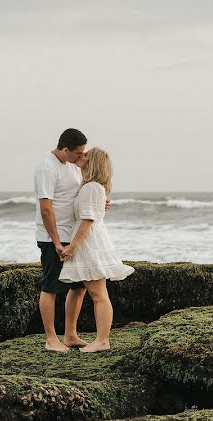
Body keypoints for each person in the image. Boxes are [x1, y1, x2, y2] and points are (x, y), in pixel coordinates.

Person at [58, 147, 134, 352]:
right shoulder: (90, 186)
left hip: (88, 242)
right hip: (87, 240)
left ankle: (102, 340)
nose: (81, 156)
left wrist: (72, 246)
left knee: (98, 293)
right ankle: (70, 335)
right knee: (77, 289)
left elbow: (88, 220)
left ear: (92, 163)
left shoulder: (92, 187)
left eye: (86, 156)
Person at [34, 128, 89, 353]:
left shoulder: (71, 166)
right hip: (53, 238)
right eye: (78, 153)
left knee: (79, 286)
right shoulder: (47, 167)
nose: (81, 158)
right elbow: (46, 209)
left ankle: (70, 335)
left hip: (73, 235)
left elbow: (74, 196)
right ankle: (50, 340)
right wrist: (56, 242)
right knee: (51, 287)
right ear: (65, 149)